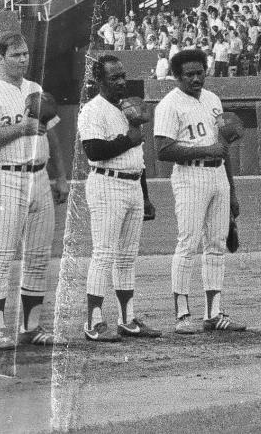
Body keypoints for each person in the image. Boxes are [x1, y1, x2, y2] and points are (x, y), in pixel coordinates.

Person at [0, 32, 68, 348]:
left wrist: (61, 176)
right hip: (3, 177)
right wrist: (20, 129)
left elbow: (50, 135)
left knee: (38, 256)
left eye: (25, 53)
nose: (23, 59)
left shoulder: (34, 89)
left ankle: (32, 326)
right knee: (1, 254)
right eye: (16, 55)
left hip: (38, 176)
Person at [154, 47, 244, 333]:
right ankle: (182, 315)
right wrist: (208, 148)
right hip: (190, 175)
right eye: (189, 74)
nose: (196, 78)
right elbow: (163, 150)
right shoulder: (169, 104)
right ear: (177, 76)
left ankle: (214, 313)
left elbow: (224, 147)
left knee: (216, 244)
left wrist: (232, 190)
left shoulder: (213, 99)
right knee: (188, 243)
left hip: (217, 173)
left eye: (200, 72)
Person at [78, 55, 161, 342]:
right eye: (114, 78)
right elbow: (93, 150)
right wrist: (131, 136)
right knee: (103, 253)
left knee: (127, 257)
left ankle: (127, 319)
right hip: (106, 182)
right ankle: (94, 321)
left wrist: (146, 196)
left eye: (123, 76)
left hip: (132, 184)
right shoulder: (93, 110)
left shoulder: (128, 108)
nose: (121, 82)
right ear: (99, 81)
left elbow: (138, 160)